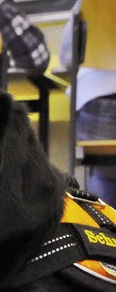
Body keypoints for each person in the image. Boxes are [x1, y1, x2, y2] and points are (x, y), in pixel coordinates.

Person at [59, 0, 116, 204]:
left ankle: (105, 231)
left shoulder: (91, 2)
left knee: (104, 168)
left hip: (98, 106)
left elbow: (67, 56)